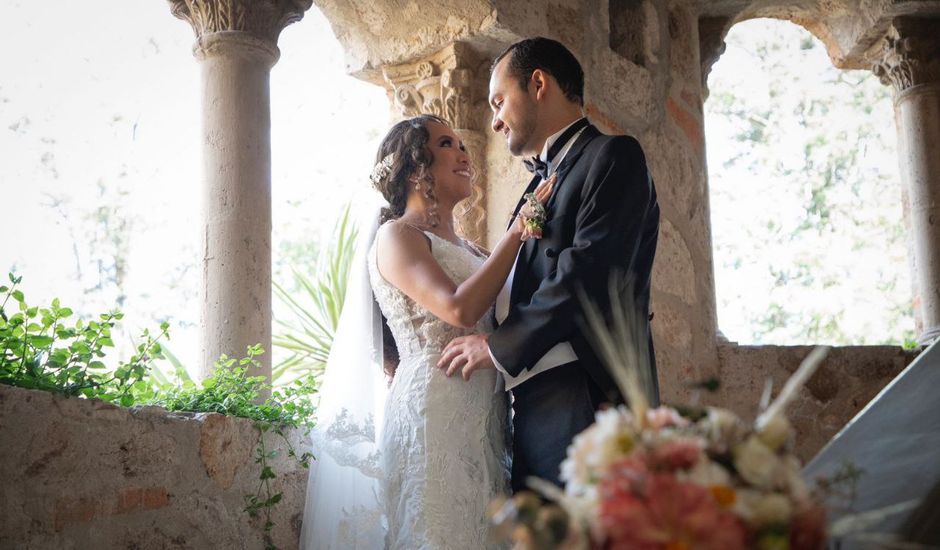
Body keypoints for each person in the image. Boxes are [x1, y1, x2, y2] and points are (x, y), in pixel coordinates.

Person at [300, 114, 553, 550]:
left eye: (461, 143)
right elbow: (458, 307)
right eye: (446, 144)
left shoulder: (473, 250)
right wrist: (516, 233)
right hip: (432, 412)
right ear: (417, 168)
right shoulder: (396, 237)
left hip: (486, 417)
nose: (463, 152)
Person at [436, 37, 661, 492]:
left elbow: (588, 274)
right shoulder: (535, 186)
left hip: (586, 392)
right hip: (531, 402)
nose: (495, 121)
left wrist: (497, 346)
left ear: (538, 83)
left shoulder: (613, 157)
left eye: (499, 101)